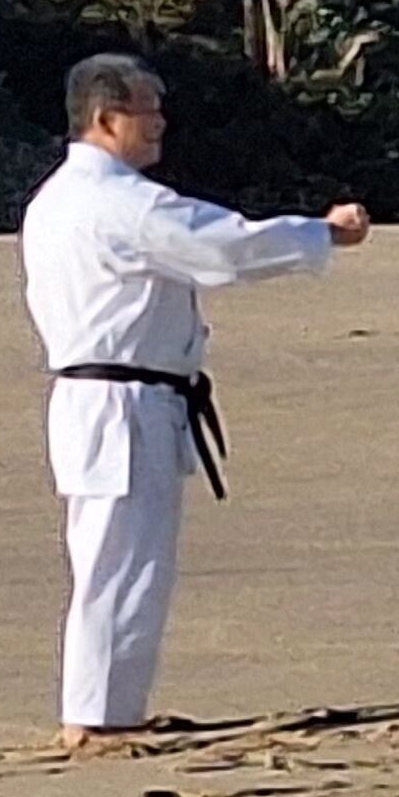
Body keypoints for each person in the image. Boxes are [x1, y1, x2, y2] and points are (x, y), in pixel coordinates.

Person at [21, 54, 369, 753]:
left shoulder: (58, 198)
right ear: (106, 117)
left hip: (116, 396)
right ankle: (93, 718)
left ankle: (110, 708)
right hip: (121, 399)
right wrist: (321, 232)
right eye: (147, 111)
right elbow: (223, 247)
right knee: (119, 559)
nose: (159, 124)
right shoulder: (115, 200)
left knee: (124, 556)